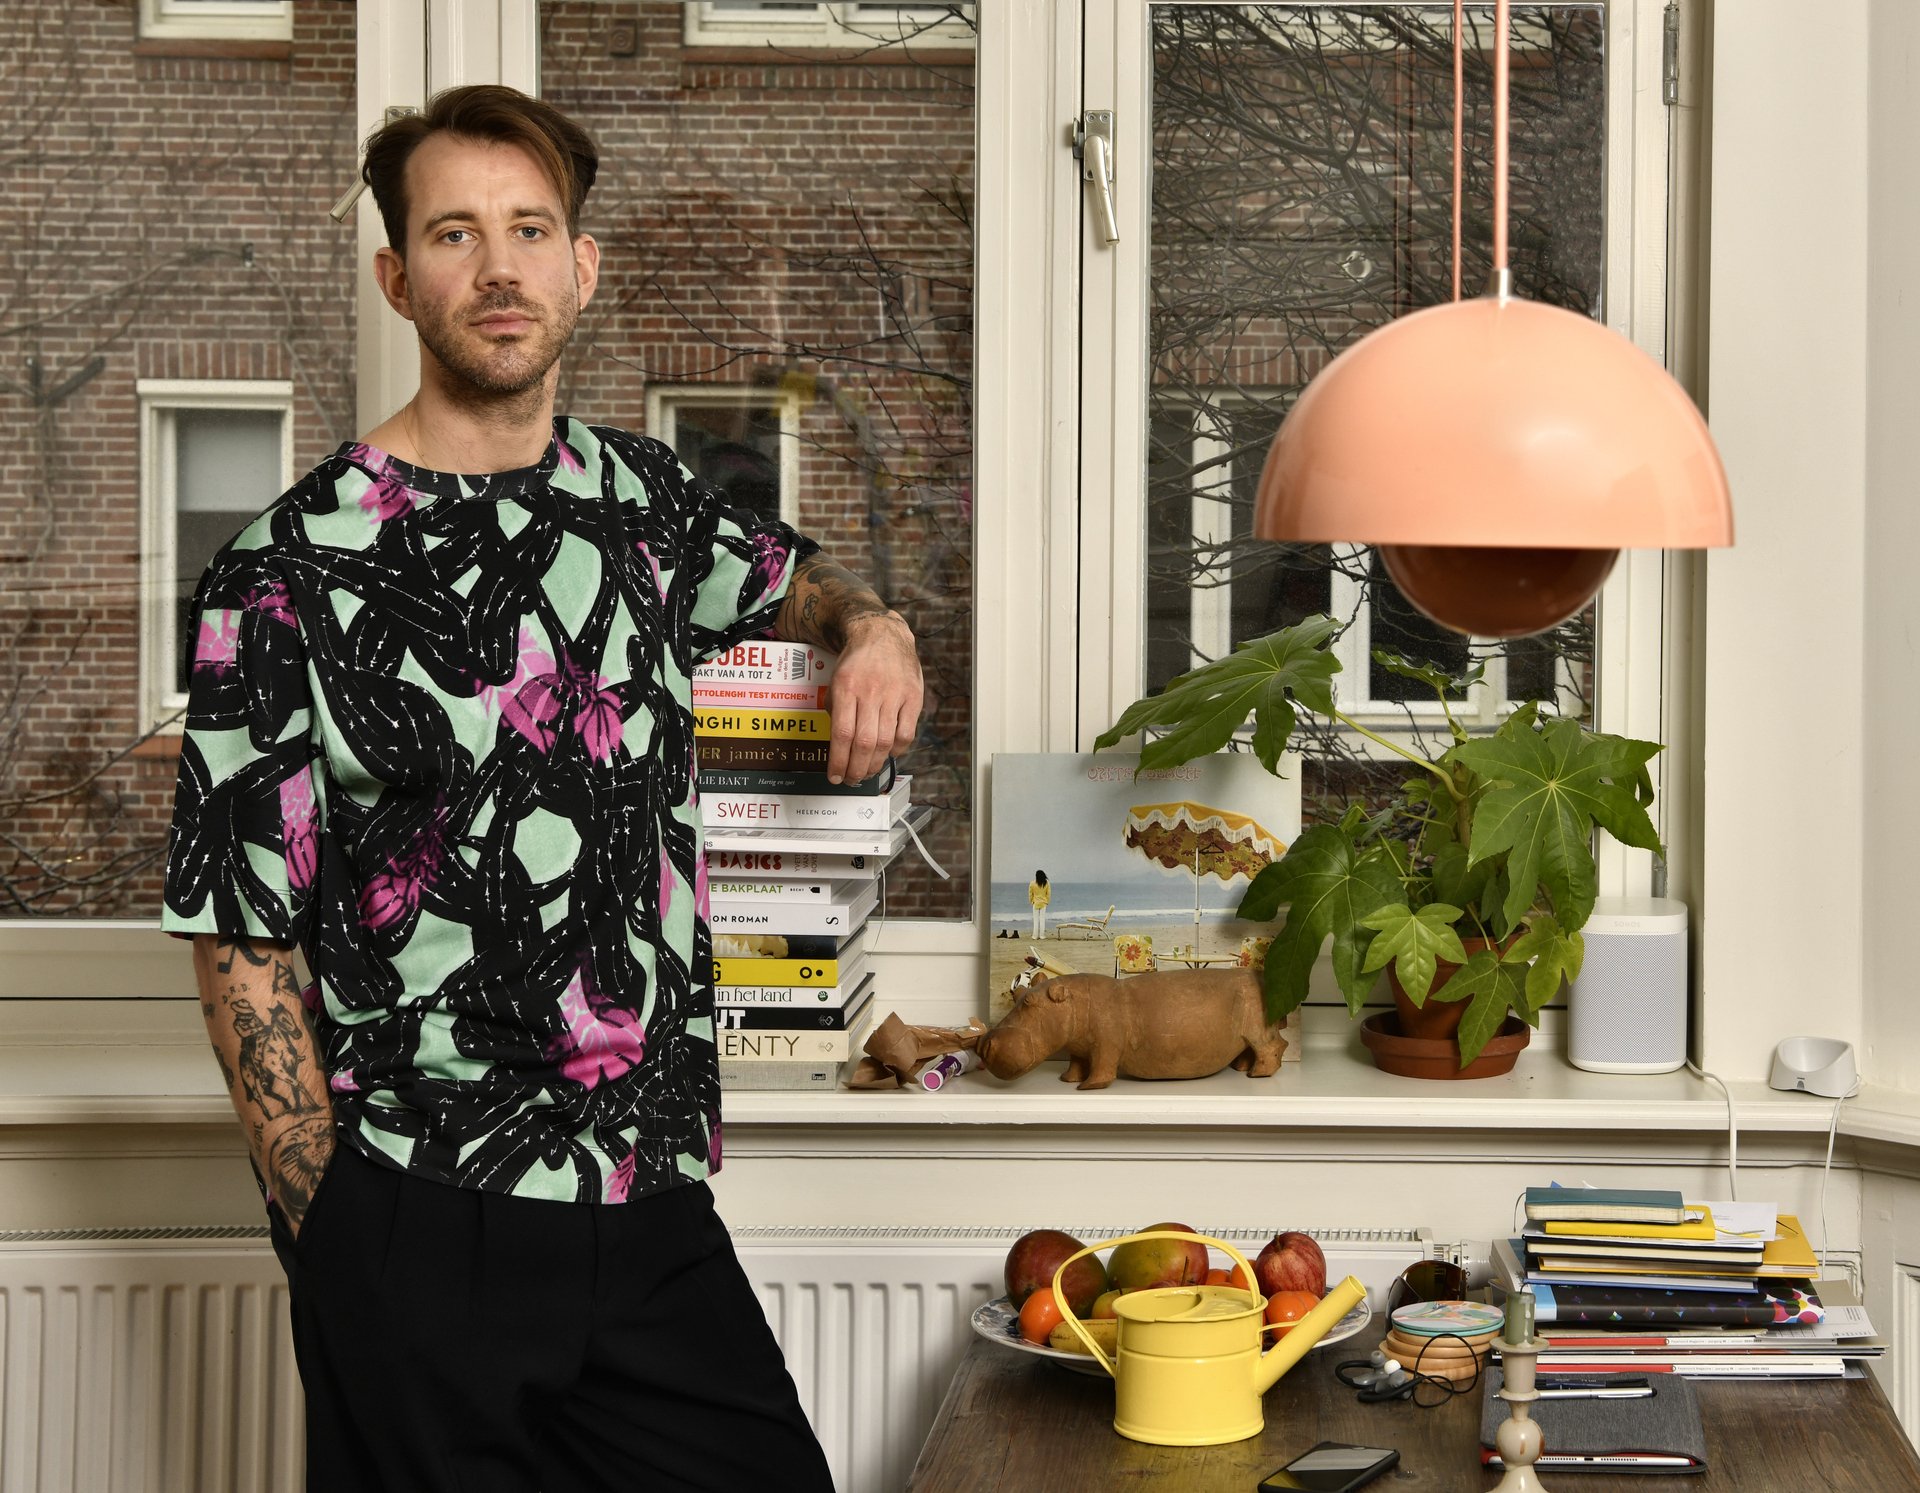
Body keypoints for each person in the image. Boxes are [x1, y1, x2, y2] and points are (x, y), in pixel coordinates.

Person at [160, 84, 922, 1493]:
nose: (498, 267)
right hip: (417, 1210)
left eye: (529, 229)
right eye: (454, 233)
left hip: (650, 1197)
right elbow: (240, 935)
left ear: (583, 266)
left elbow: (796, 578)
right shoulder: (281, 569)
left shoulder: (646, 503)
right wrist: (333, 1225)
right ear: (398, 277)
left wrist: (873, 629)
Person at [1028, 868, 1050, 938]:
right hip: (1043, 903)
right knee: (1042, 920)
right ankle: (1042, 935)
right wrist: (1047, 901)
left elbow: (1030, 894)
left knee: (1036, 920)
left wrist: (1031, 901)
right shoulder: (1046, 883)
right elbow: (1048, 894)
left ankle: (1035, 936)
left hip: (1035, 903)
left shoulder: (1032, 883)